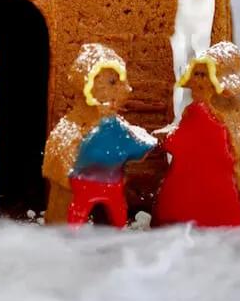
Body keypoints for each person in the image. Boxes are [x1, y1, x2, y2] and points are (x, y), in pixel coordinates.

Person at [153, 41, 240, 227]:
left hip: (197, 182)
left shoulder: (200, 112)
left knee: (177, 201)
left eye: (203, 75)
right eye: (196, 74)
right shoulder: (237, 112)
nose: (196, 82)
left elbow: (181, 143)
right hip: (228, 187)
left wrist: (165, 138)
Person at [43, 44, 156, 227]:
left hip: (109, 185)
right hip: (79, 187)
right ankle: (62, 236)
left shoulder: (113, 123)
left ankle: (108, 235)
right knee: (67, 213)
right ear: (87, 84)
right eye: (113, 82)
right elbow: (58, 157)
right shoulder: (72, 127)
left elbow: (132, 143)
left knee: (112, 214)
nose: (126, 89)